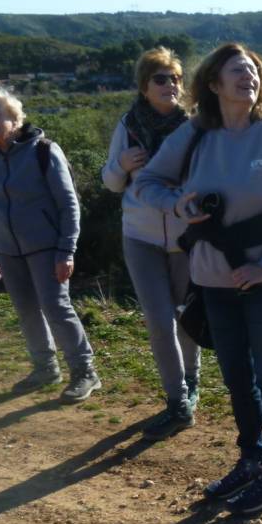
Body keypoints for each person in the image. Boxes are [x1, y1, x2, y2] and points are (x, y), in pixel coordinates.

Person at [134, 42, 262, 516]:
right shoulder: (195, 135)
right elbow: (148, 182)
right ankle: (250, 460)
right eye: (237, 71)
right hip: (213, 279)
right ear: (213, 84)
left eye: (254, 70)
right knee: (236, 376)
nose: (248, 77)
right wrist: (178, 204)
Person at [0, 85, 101, 404]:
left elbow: (68, 204)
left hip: (47, 247)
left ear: (14, 118)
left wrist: (66, 250)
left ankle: (85, 372)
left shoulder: (43, 150)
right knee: (27, 310)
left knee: (57, 308)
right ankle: (45, 368)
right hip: (7, 249)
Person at [102, 46, 201, 440]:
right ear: (145, 86)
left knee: (186, 317)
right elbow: (109, 183)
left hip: (185, 236)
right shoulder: (128, 126)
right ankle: (177, 401)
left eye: (176, 78)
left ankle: (192, 383)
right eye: (161, 78)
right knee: (160, 322)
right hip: (140, 236)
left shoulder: (194, 126)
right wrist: (121, 166)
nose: (171, 85)